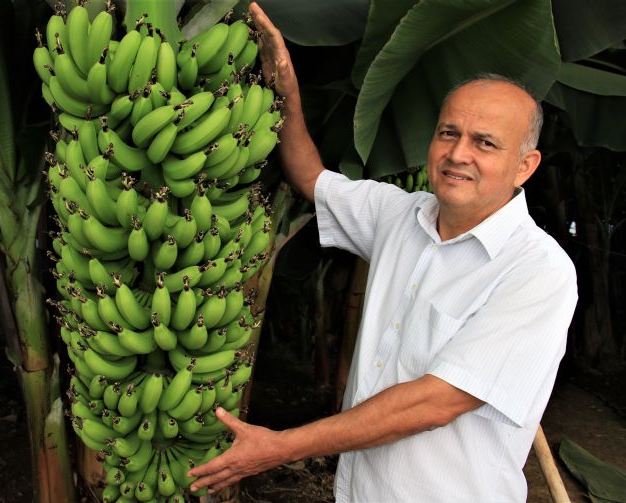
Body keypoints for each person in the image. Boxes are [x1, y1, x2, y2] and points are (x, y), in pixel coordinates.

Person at [187, 2, 579, 501]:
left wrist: (279, 447)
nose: (459, 154)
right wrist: (285, 90)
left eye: (484, 143)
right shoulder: (399, 215)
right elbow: (311, 178)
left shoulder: (538, 272)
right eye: (448, 133)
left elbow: (434, 403)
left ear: (525, 166)